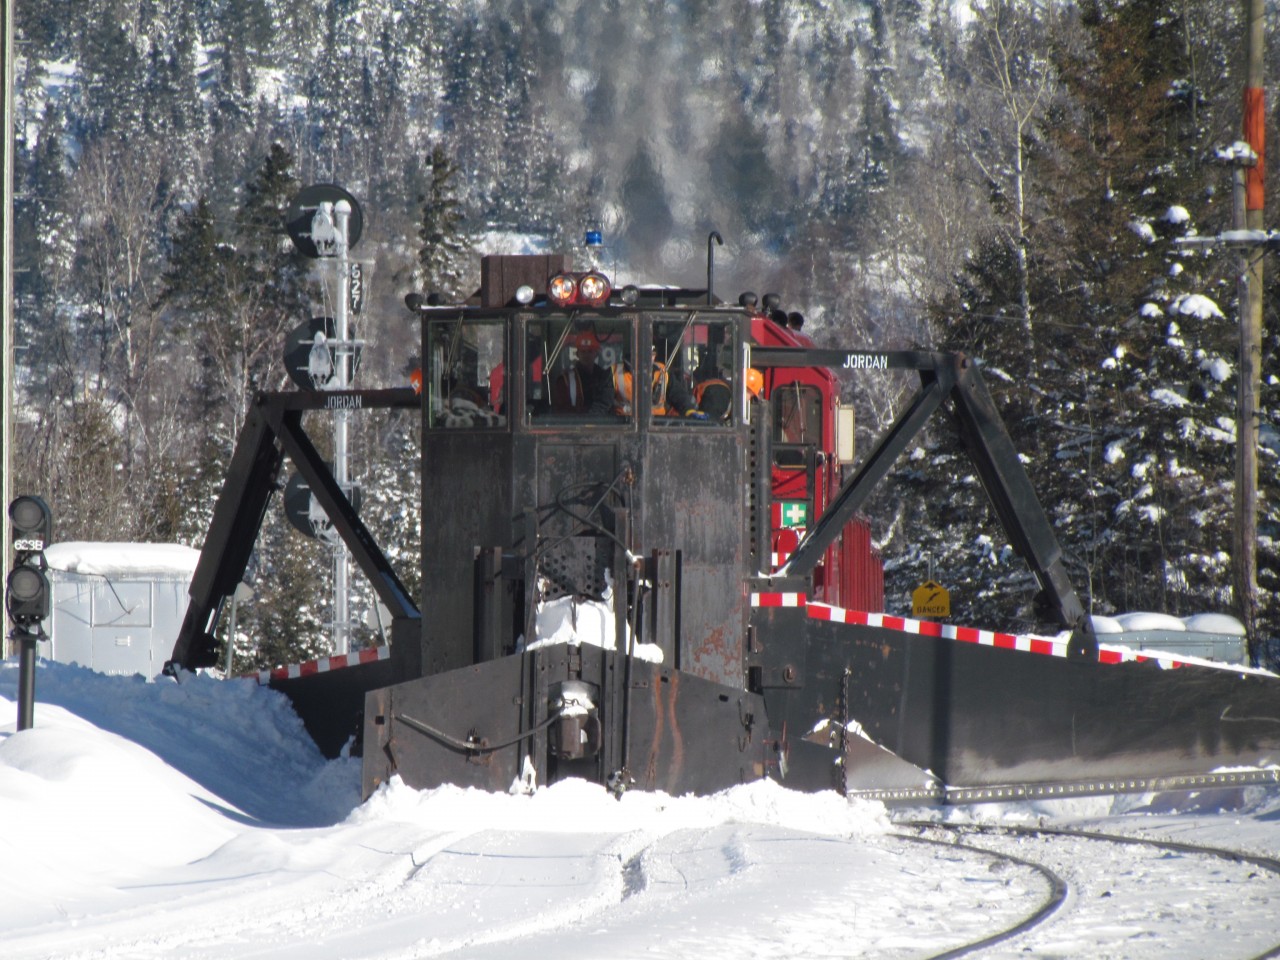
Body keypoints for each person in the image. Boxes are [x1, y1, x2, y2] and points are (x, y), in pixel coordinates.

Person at [613, 346, 705, 418]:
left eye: (653, 354)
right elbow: (603, 403)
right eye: (645, 353)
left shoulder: (662, 371)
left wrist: (690, 410)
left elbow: (677, 395)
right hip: (626, 427)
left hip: (658, 427)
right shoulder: (615, 373)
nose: (650, 358)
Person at [551, 332, 615, 414]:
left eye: (590, 351)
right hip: (575, 424)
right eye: (583, 351)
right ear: (577, 354)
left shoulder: (606, 378)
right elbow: (560, 409)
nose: (586, 355)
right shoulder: (565, 381)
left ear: (596, 354)